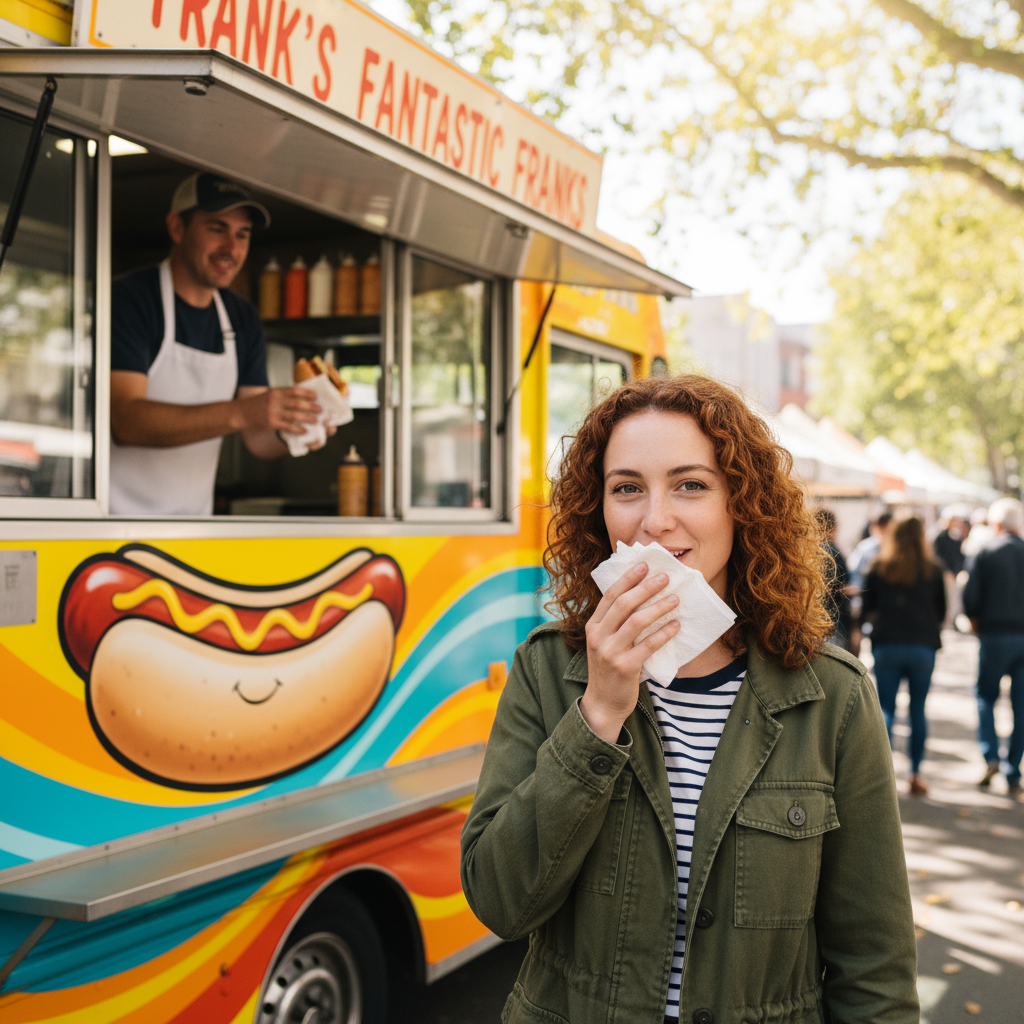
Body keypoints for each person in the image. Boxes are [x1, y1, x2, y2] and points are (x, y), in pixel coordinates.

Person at [461, 376, 918, 1024]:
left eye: (690, 484)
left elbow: (875, 973)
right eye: (626, 488)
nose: (654, 519)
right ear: (600, 510)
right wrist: (600, 712)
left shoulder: (834, 699)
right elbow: (500, 901)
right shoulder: (546, 669)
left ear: (742, 503)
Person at [109, 172, 329, 515]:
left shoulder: (241, 317)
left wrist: (294, 429)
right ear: (177, 228)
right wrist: (245, 412)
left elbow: (258, 437)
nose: (231, 248)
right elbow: (126, 422)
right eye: (217, 229)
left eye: (242, 235)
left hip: (194, 527)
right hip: (111, 525)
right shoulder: (130, 299)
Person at [861, 516, 946, 795]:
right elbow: (942, 611)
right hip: (922, 646)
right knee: (918, 710)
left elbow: (867, 608)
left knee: (885, 710)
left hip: (888, 645)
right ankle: (916, 773)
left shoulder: (880, 566)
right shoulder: (932, 569)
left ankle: (881, 778)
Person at [962, 497, 1024, 797]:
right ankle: (1013, 769)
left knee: (986, 696)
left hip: (994, 635)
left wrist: (975, 623)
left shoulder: (985, 551)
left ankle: (991, 756)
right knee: (1021, 705)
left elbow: (970, 596)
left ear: (997, 525)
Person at [814, 507, 852, 650]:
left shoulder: (807, 549)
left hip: (814, 621)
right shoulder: (832, 551)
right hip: (834, 622)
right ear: (832, 526)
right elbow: (840, 586)